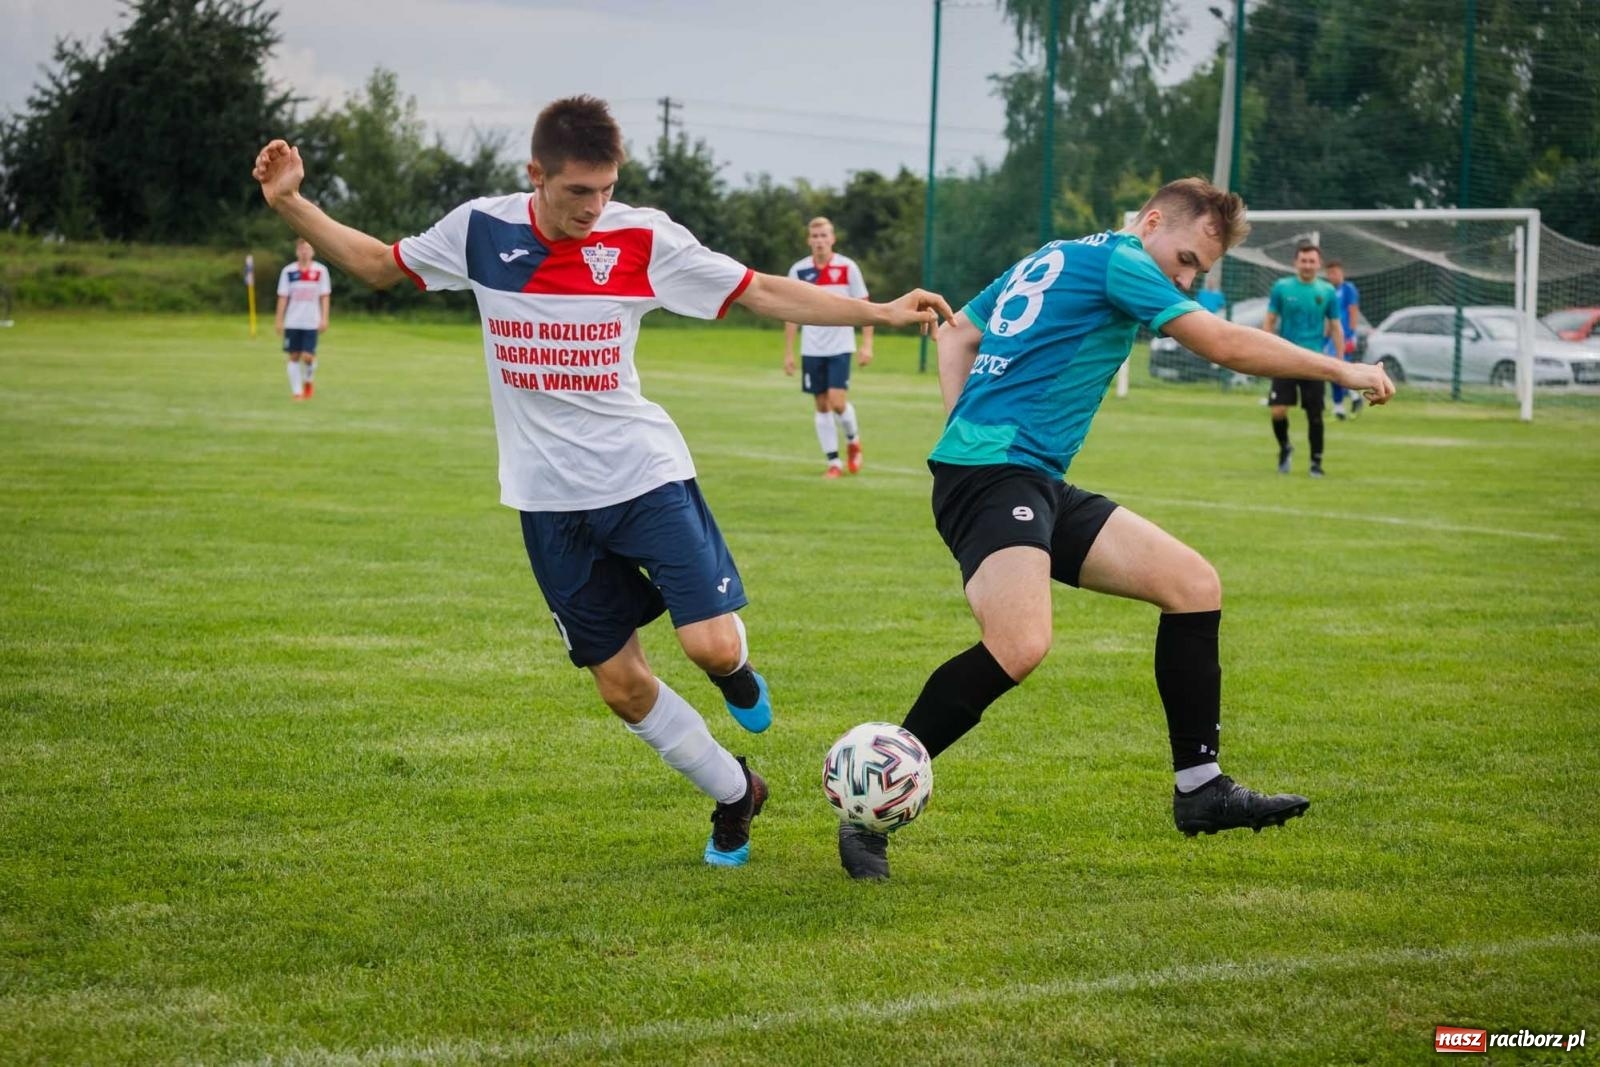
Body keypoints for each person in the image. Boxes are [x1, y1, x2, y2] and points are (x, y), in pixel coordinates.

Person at [251, 96, 952, 869]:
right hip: (548, 500)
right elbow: (380, 265)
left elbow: (756, 289)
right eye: (577, 191)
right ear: (536, 175)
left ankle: (737, 670)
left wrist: (878, 312)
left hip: (643, 472)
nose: (594, 207)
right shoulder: (483, 231)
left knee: (709, 645)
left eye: (607, 189)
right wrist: (290, 202)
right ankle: (734, 793)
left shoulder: (642, 237)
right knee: (621, 686)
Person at [836, 177, 1393, 880]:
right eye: (1186, 258)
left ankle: (1201, 789)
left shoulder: (1060, 253)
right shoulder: (1124, 261)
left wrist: (962, 421)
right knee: (1020, 642)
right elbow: (1219, 342)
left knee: (1192, 583)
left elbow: (958, 331)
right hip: (996, 476)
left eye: (1199, 271)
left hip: (1023, 475)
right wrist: (1342, 368)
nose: (1186, 277)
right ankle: (869, 803)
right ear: (1152, 221)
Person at [783, 217, 872, 477]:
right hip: (811, 348)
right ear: (809, 240)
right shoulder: (798, 271)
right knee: (821, 405)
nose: (820, 240)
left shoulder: (847, 268)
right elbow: (790, 312)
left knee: (836, 401)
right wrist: (788, 352)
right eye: (815, 236)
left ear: (832, 239)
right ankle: (834, 463)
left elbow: (865, 306)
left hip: (841, 346)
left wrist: (867, 344)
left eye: (824, 235)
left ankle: (853, 441)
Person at [1263, 245, 1345, 477]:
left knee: (1315, 414)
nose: (1307, 265)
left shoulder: (1327, 291)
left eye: (1312, 261)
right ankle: (1285, 447)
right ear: (1295, 263)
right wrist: (1266, 349)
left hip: (1314, 361)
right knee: (1278, 411)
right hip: (1284, 359)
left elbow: (1336, 326)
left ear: (1318, 264)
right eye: (1304, 261)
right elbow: (1269, 320)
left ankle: (1315, 462)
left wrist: (1340, 360)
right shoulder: (1282, 287)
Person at [275, 237, 331, 400]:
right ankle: (297, 392)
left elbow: (325, 296)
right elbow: (283, 297)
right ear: (297, 251)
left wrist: (324, 318)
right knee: (293, 356)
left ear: (313, 251)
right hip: (293, 321)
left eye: (308, 248)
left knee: (308, 357)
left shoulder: (321, 271)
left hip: (311, 321)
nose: (305, 252)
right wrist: (279, 320)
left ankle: (308, 380)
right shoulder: (288, 272)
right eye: (302, 249)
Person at [1324, 259, 1363, 420]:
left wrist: (1352, 334)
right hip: (1330, 337)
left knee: (1337, 370)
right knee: (1331, 370)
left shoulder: (1348, 289)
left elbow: (1353, 311)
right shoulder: (1327, 290)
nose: (1332, 276)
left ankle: (1345, 401)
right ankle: (1350, 399)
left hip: (1343, 336)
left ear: (1341, 273)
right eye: (1330, 273)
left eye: (1335, 272)